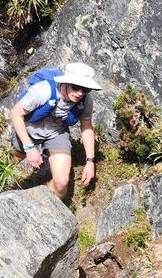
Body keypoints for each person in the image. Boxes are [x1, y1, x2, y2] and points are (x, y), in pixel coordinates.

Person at [9, 62, 102, 198]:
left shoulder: (85, 100)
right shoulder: (43, 91)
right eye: (76, 87)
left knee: (62, 183)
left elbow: (86, 127)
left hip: (57, 133)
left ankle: (46, 211)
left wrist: (90, 162)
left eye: (86, 89)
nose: (80, 93)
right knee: (10, 163)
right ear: (66, 82)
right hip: (29, 129)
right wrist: (29, 148)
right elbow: (15, 114)